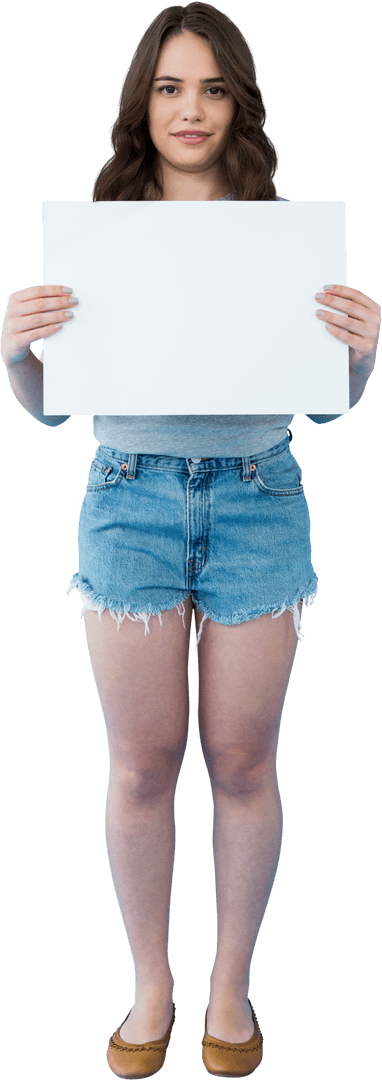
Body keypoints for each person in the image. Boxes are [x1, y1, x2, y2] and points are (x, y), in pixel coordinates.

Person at [1, 4, 380, 1078]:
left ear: (238, 103)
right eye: (169, 86)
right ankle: (150, 983)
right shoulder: (101, 227)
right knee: (139, 764)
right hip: (127, 497)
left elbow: (331, 397)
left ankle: (229, 984)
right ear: (142, 102)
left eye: (211, 87)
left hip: (261, 492)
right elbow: (48, 410)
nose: (190, 108)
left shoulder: (281, 229)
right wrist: (16, 351)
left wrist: (358, 351)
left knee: (244, 760)